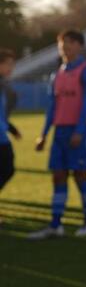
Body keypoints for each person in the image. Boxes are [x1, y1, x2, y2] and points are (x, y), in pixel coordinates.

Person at [28, 30, 86, 239]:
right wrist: (43, 134)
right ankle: (56, 224)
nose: (65, 47)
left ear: (79, 45)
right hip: (60, 132)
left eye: (69, 42)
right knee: (58, 176)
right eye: (61, 43)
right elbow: (52, 107)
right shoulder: (57, 74)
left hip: (81, 131)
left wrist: (79, 130)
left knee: (80, 175)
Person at [0, 48, 22, 223]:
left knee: (7, 170)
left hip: (2, 135)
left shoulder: (3, 84)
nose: (11, 67)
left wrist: (11, 128)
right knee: (7, 169)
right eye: (8, 64)